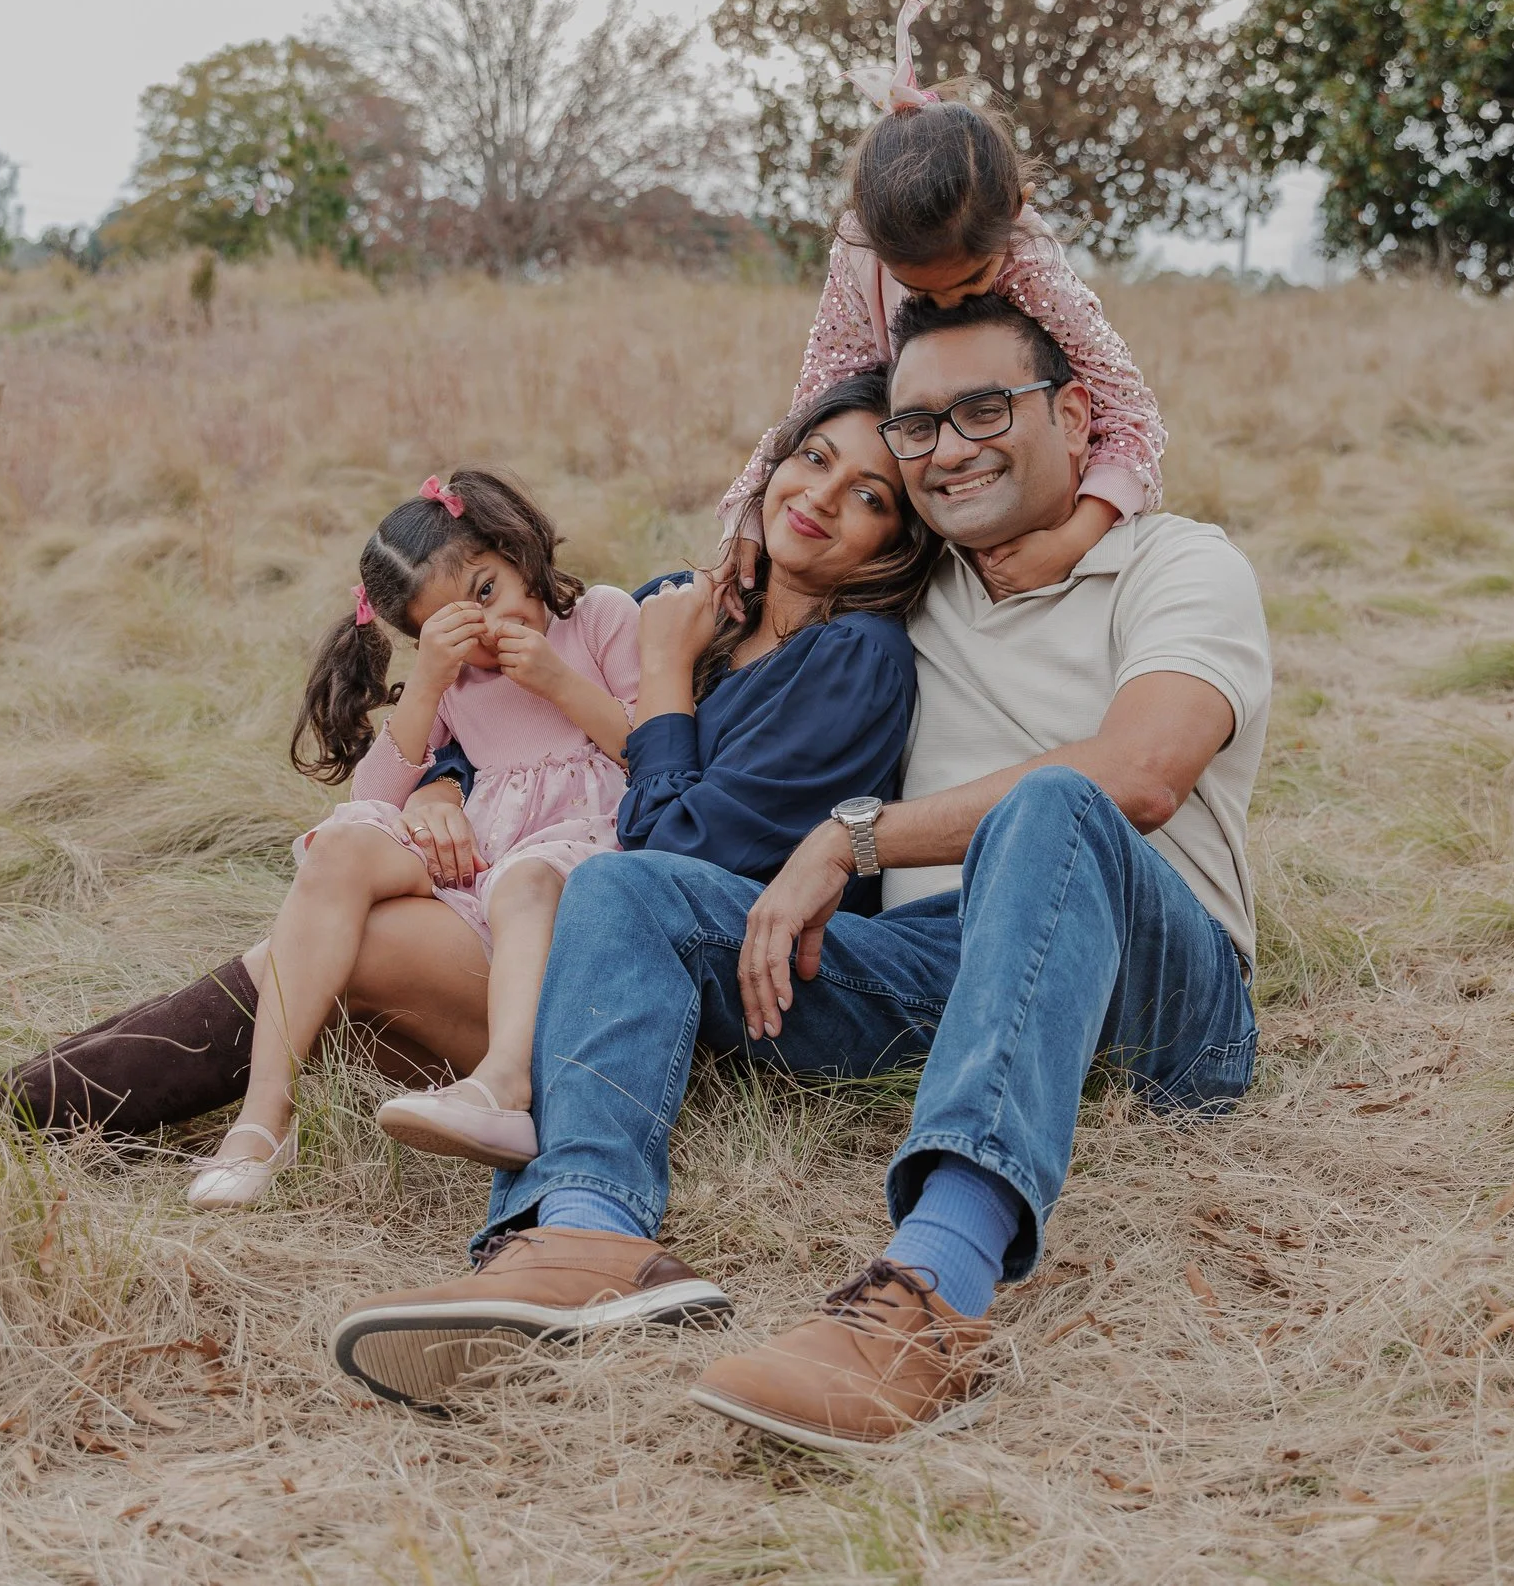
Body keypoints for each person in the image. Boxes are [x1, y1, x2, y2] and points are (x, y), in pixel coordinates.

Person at [330, 292, 1270, 1457]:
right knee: (626, 885)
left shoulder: (1180, 564)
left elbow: (1140, 773)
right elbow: (810, 456)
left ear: (1078, 414)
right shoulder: (905, 588)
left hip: (1162, 988)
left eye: (987, 409)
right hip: (934, 966)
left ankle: (932, 1290)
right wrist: (437, 773)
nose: (945, 446)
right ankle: (580, 1229)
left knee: (1053, 803)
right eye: (921, 426)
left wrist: (850, 837)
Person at [0, 375, 942, 1171]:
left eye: (869, 494)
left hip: (677, 997)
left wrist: (664, 673)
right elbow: (508, 729)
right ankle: (24, 1108)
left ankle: (26, 1114)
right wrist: (436, 785)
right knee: (327, 930)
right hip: (557, 931)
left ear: (897, 539)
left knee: (359, 948)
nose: (818, 495)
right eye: (813, 457)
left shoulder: (852, 658)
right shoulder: (692, 609)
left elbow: (677, 847)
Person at [181, 469, 642, 1209]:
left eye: (486, 589)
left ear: (515, 549)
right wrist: (429, 681)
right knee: (339, 847)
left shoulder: (600, 619)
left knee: (526, 882)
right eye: (450, 624)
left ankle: (504, 1086)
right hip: (485, 857)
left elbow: (653, 755)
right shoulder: (456, 682)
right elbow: (374, 799)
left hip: (578, 851)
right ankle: (265, 1117)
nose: (485, 626)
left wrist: (558, 681)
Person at [718, 0, 1167, 610]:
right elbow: (824, 396)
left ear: (1015, 211)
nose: (948, 303)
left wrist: (1073, 537)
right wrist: (751, 502)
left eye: (972, 280)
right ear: (870, 242)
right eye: (922, 291)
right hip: (916, 475)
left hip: (1036, 497)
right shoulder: (858, 255)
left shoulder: (1029, 255)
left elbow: (1129, 413)